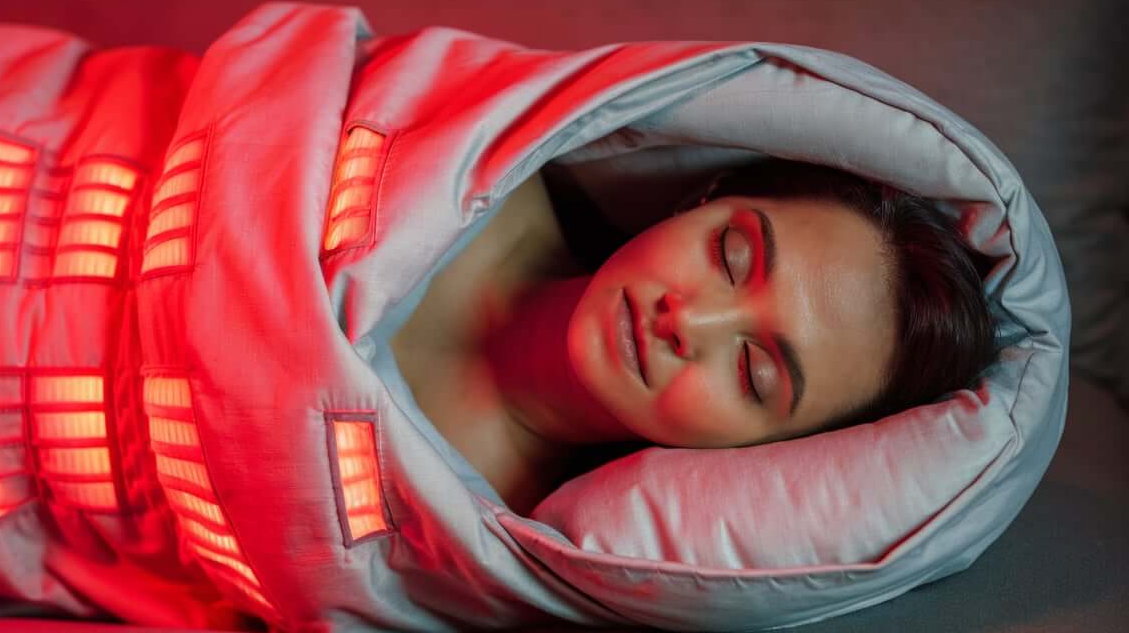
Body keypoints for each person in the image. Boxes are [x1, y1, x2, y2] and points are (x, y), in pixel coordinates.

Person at [390, 158, 998, 514]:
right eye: (731, 255)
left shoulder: (466, 537)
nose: (689, 322)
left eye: (753, 374)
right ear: (699, 202)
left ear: (755, 455)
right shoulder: (479, 161)